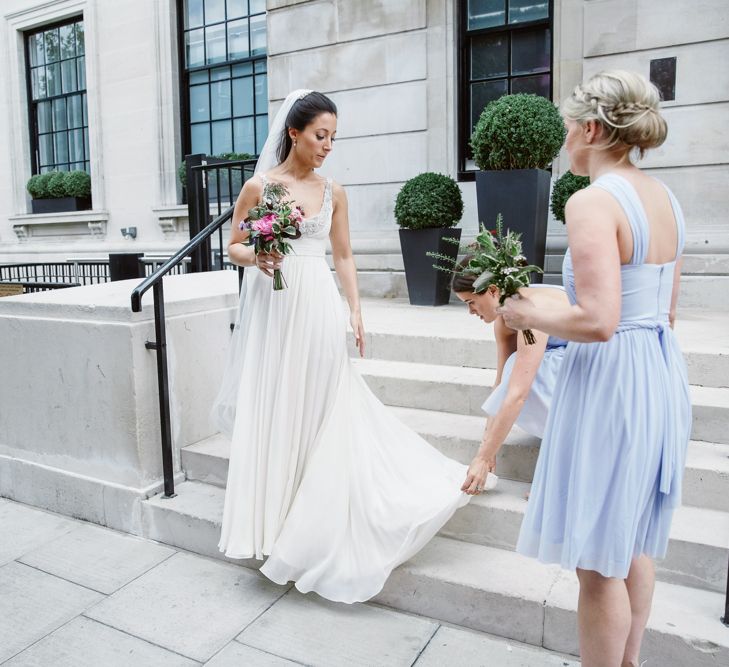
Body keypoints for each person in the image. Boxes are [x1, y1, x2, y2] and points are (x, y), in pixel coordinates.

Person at [212, 89, 483, 604]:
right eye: (321, 135)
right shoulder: (259, 186)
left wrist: (356, 310)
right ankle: (273, 525)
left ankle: (315, 524)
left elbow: (343, 256)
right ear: (293, 133)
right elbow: (233, 245)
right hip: (275, 309)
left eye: (334, 137)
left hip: (316, 305)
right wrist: (257, 259)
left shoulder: (334, 191)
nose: (328, 146)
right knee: (281, 404)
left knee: (323, 404)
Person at [498, 70, 691, 667]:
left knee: (596, 560)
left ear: (590, 128)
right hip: (657, 371)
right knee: (629, 540)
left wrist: (518, 307)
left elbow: (600, 320)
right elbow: (665, 311)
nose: (563, 143)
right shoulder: (667, 199)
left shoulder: (591, 201)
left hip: (610, 380)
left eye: (565, 129)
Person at [451, 267, 569, 495]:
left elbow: (518, 393)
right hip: (571, 360)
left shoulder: (528, 313)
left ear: (493, 290)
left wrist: (483, 459)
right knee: (513, 367)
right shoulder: (505, 318)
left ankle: (563, 476)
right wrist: (488, 445)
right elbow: (501, 386)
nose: (471, 312)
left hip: (602, 365)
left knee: (526, 369)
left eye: (470, 302)